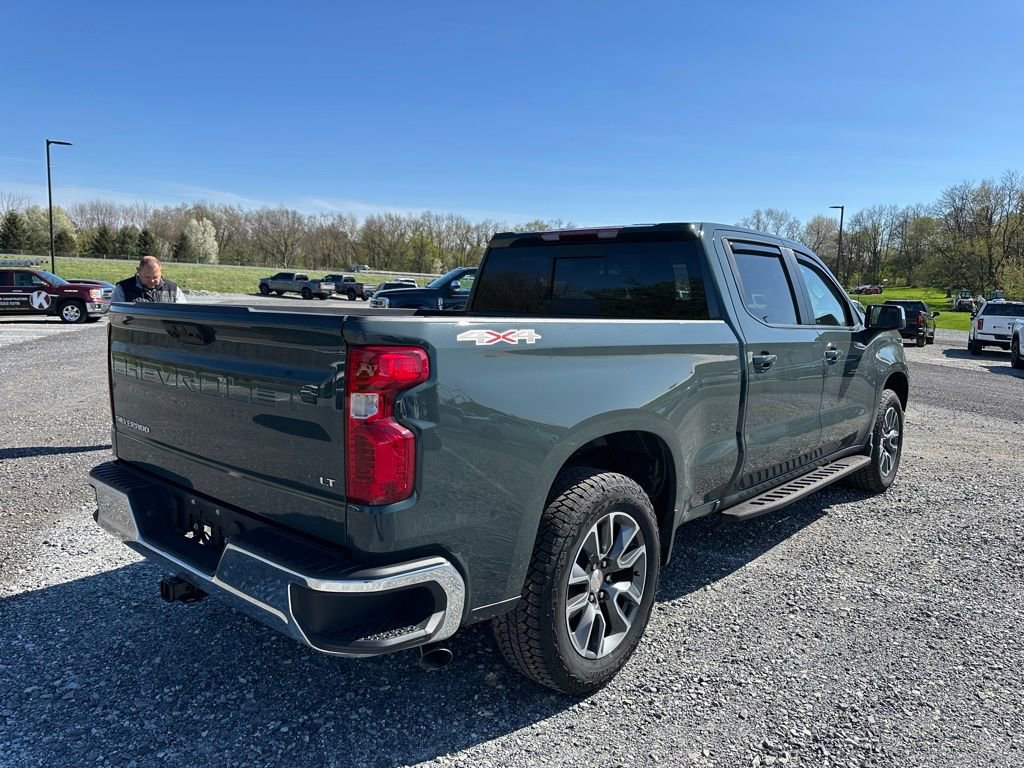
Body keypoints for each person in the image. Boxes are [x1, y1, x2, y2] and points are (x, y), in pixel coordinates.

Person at [111, 255, 187, 303]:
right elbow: (115, 315)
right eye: (147, 277)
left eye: (155, 277)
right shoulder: (123, 289)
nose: (151, 281)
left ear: (161, 271)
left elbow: (183, 313)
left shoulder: (173, 289)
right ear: (139, 271)